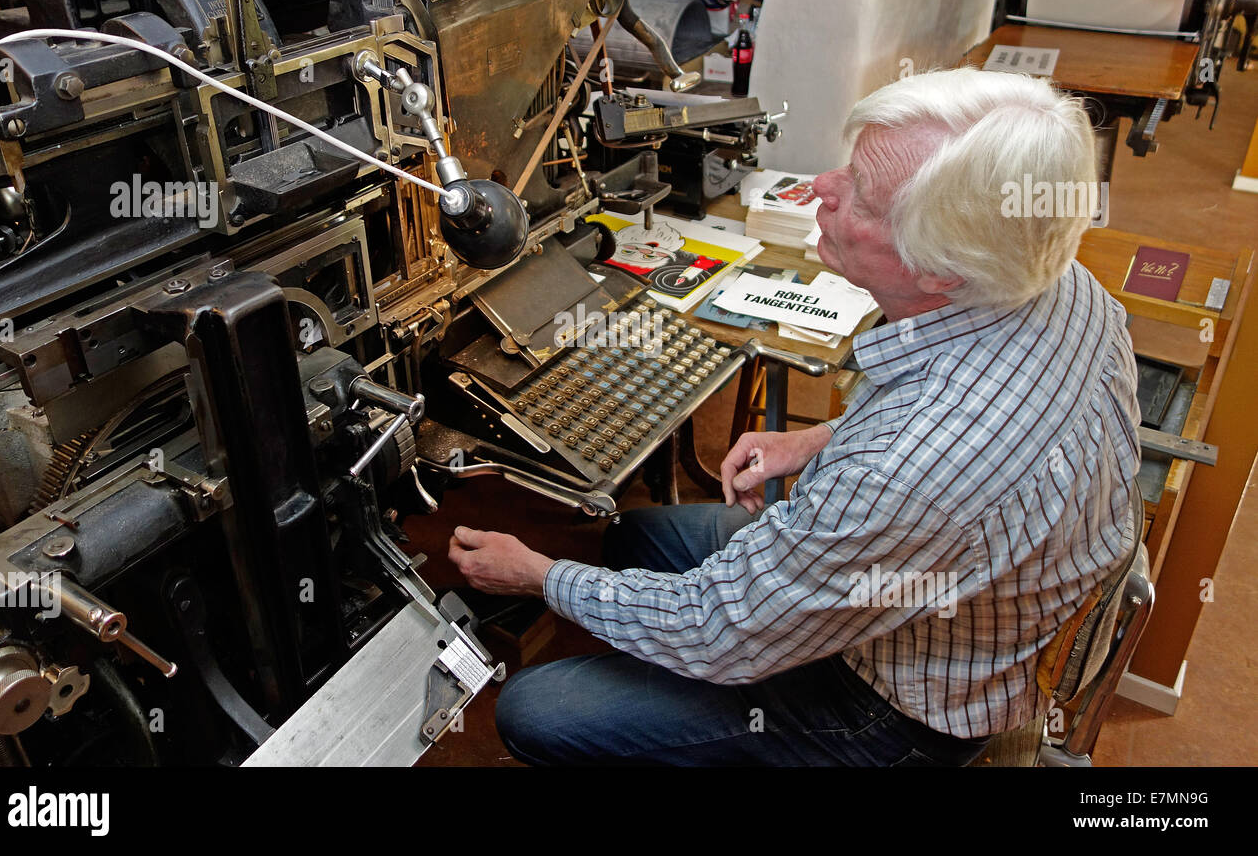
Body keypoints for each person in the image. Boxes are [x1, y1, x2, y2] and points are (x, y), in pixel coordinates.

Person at [448, 68, 1141, 766]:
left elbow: (719, 629)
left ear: (942, 269)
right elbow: (955, 448)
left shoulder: (905, 472)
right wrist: (820, 441)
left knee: (535, 710)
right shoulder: (1062, 281)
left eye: (862, 194)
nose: (821, 187)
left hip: (898, 707)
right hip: (954, 592)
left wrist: (538, 575)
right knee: (638, 538)